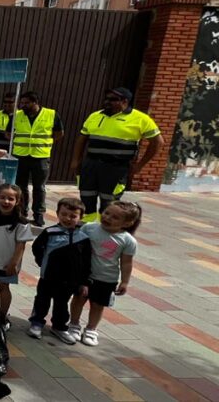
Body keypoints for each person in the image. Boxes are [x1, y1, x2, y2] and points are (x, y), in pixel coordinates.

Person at [69, 88, 162, 221]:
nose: (107, 102)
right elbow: (82, 139)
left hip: (116, 169)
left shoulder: (141, 119)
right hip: (91, 165)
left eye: (112, 99)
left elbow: (158, 142)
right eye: (106, 98)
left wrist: (140, 165)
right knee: (86, 198)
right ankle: (86, 229)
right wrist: (75, 161)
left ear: (125, 101)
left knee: (109, 204)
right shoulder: (95, 116)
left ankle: (104, 231)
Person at [68, 201, 140, 347]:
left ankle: (91, 329)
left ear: (127, 223)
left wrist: (125, 281)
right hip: (84, 275)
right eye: (106, 213)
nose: (107, 218)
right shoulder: (89, 228)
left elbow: (126, 263)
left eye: (115, 217)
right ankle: (73, 324)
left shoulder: (128, 240)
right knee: (78, 299)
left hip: (107, 278)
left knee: (98, 305)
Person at [27, 197, 91, 343]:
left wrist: (84, 282)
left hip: (69, 281)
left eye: (73, 216)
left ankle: (59, 327)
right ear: (57, 213)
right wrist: (41, 262)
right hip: (47, 278)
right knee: (42, 300)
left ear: (81, 217)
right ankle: (36, 322)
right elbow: (36, 247)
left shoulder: (83, 238)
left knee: (62, 304)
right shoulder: (49, 232)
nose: (67, 218)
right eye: (64, 214)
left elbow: (87, 262)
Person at [0, 184, 34, 331]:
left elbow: (21, 245)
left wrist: (13, 263)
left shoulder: (21, 223)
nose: (6, 201)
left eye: (11, 198)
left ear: (18, 201)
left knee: (3, 286)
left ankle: (3, 317)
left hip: (7, 263)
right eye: (2, 197)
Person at [12, 91, 63, 227]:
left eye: (26, 103)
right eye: (21, 103)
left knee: (39, 187)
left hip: (40, 156)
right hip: (21, 155)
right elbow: (8, 133)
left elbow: (59, 133)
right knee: (20, 186)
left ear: (35, 102)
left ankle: (38, 215)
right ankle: (22, 213)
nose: (22, 105)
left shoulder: (51, 114)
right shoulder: (17, 115)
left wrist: (45, 142)